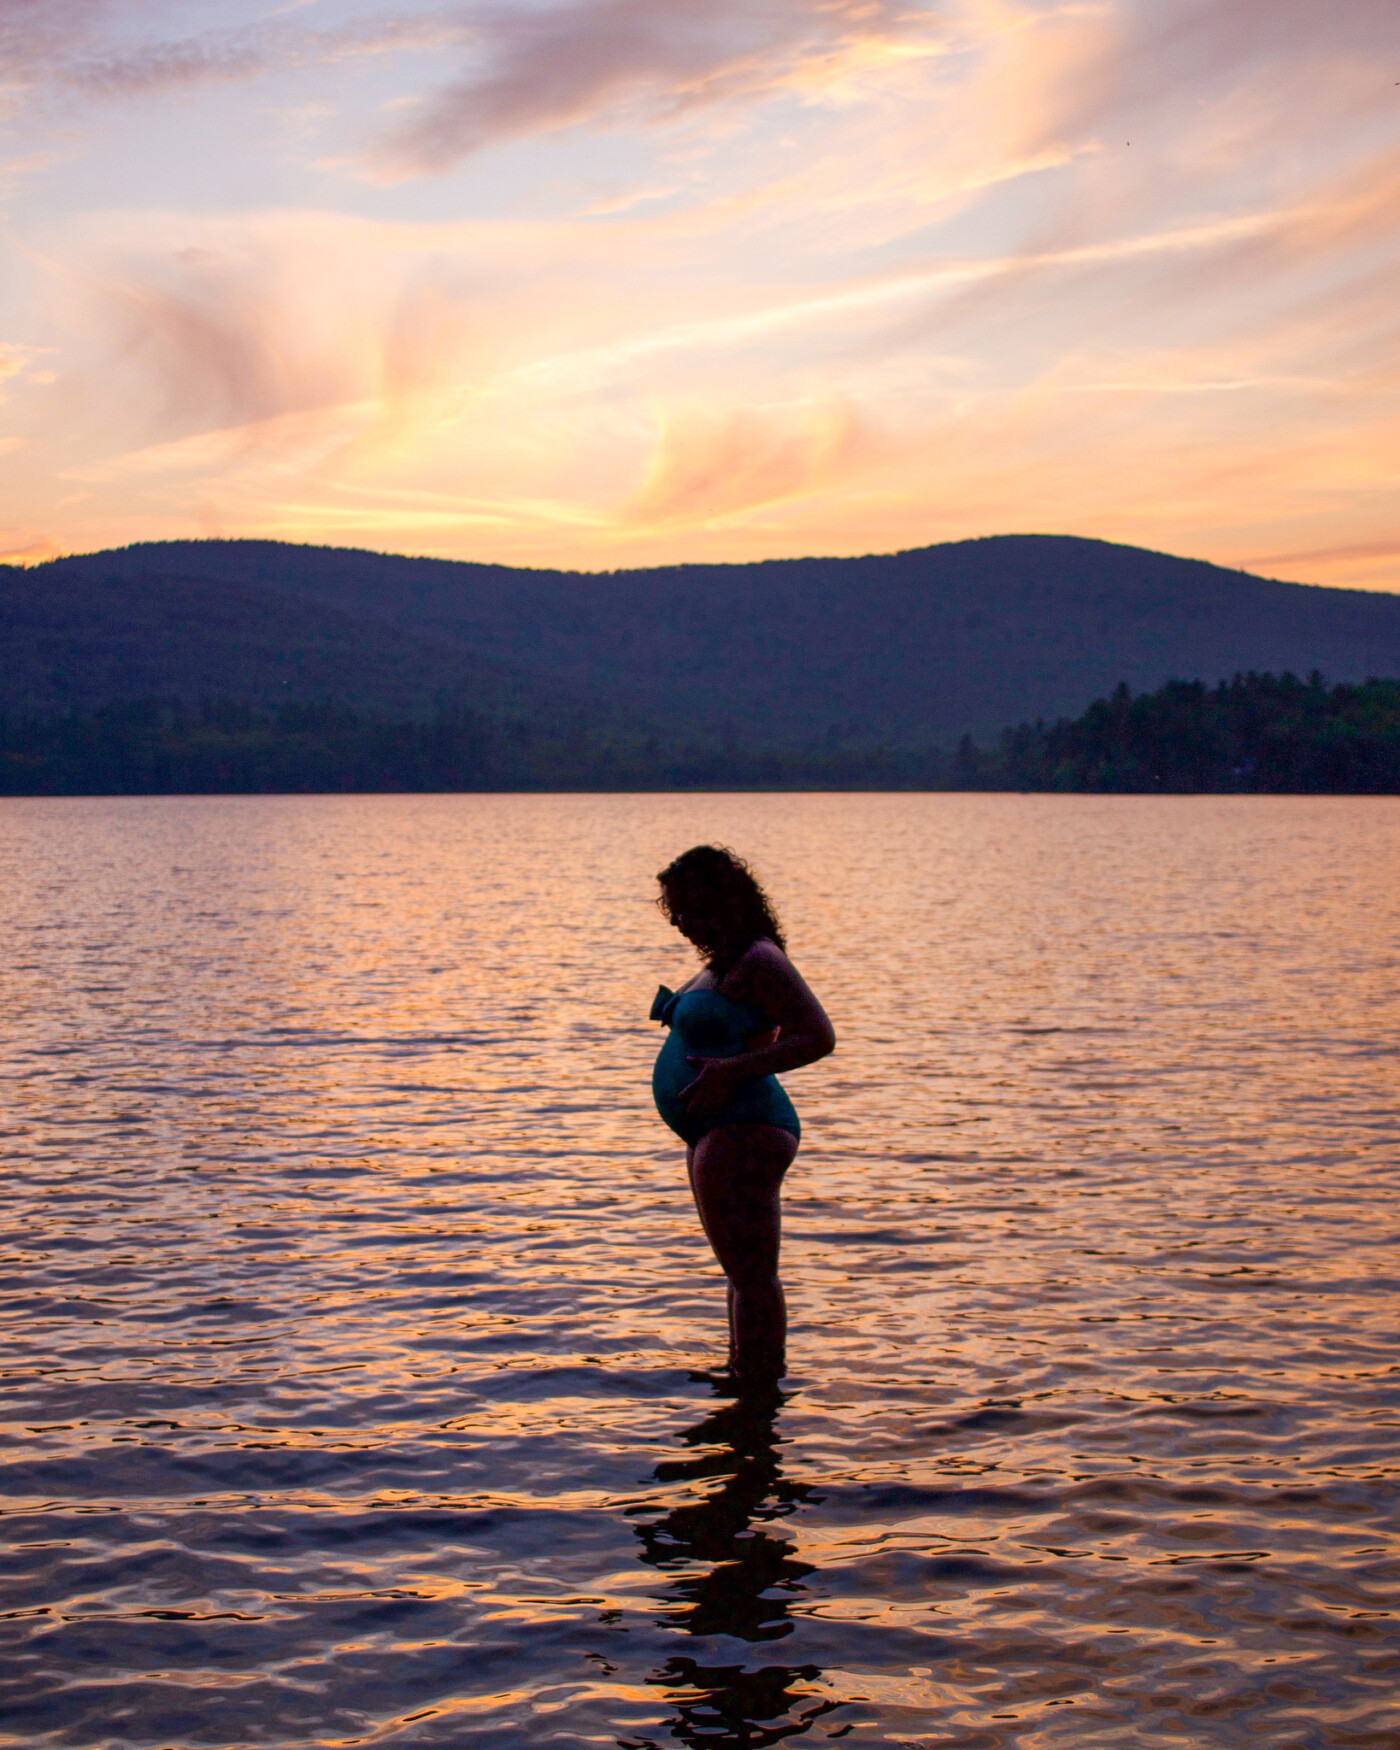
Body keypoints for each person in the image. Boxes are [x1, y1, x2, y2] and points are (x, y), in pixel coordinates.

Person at [651, 845, 835, 1385]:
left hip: (746, 1126)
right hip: (716, 1129)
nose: (678, 920)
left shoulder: (760, 958)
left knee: (754, 1276)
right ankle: (744, 1385)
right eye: (673, 909)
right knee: (739, 1274)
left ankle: (758, 1391)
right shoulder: (727, 961)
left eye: (685, 906)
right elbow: (761, 1030)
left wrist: (731, 1072)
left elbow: (818, 1036)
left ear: (717, 900)